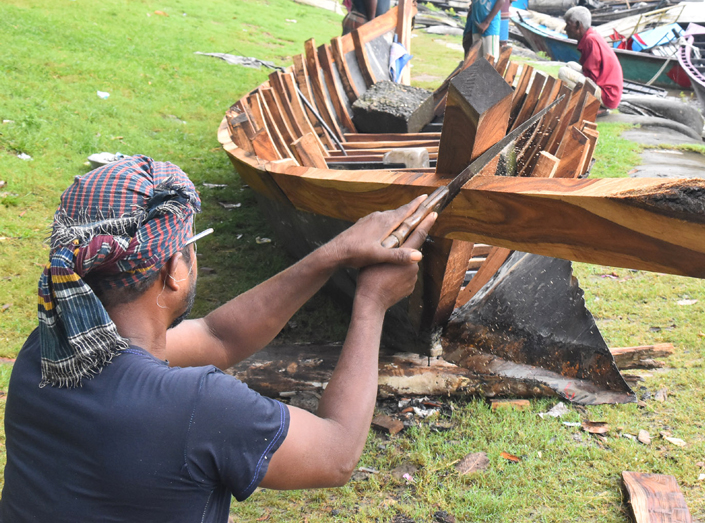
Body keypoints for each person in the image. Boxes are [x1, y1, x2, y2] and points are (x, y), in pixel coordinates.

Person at [0, 155, 435, 522]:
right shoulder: (199, 406)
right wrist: (372, 303)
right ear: (175, 269)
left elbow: (218, 335)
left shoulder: (49, 348)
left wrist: (332, 254)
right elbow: (337, 452)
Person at [562, 6, 623, 111]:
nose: (565, 28)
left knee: (563, 72)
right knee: (569, 65)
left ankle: (590, 106)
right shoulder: (591, 36)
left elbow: (592, 77)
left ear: (578, 25)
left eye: (568, 24)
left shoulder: (590, 40)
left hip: (607, 96)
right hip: (606, 90)